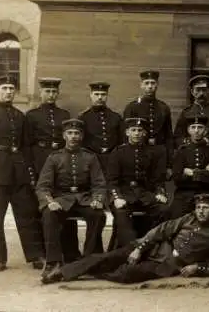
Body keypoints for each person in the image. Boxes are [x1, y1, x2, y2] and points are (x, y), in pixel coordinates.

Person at [40, 194, 209, 285]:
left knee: (126, 274)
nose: (200, 211)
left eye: (205, 208)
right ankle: (62, 273)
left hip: (168, 265)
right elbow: (160, 231)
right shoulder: (187, 219)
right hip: (152, 248)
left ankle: (91, 272)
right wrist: (140, 248)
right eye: (199, 207)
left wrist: (197, 267)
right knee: (107, 257)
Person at [0, 74, 45, 272]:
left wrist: (30, 173)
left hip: (18, 173)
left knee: (27, 215)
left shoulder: (21, 116)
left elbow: (26, 148)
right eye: (4, 88)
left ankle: (35, 255)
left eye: (11, 88)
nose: (8, 92)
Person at [36, 118, 107, 280]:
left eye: (77, 133)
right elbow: (43, 186)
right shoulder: (54, 157)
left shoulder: (90, 157)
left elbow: (99, 183)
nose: (73, 136)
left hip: (84, 199)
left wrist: (97, 199)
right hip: (62, 200)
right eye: (70, 133)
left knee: (98, 215)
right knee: (48, 215)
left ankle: (90, 259)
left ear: (81, 136)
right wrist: (50, 201)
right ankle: (53, 262)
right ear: (64, 136)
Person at [26, 77, 81, 263]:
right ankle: (42, 254)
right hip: (39, 158)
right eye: (47, 91)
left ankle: (70, 250)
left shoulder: (64, 114)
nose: (50, 95)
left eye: (53, 92)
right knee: (42, 206)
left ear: (57, 93)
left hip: (62, 159)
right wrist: (31, 168)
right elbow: (27, 144)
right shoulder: (32, 115)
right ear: (41, 93)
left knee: (65, 201)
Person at [107, 117, 168, 247]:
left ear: (144, 133)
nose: (136, 133)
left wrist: (159, 192)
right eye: (133, 130)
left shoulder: (153, 152)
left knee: (162, 210)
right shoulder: (118, 152)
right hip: (124, 195)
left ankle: (151, 247)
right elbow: (112, 181)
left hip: (145, 194)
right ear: (127, 132)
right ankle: (128, 250)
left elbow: (158, 179)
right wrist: (116, 197)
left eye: (140, 130)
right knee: (122, 214)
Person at [123, 70, 174, 180]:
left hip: (159, 153)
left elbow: (169, 137)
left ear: (157, 85)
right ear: (141, 85)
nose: (150, 86)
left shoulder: (163, 108)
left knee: (159, 185)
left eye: (153, 83)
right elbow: (126, 136)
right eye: (146, 83)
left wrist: (169, 164)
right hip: (139, 153)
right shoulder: (132, 107)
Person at [170, 114, 209, 220]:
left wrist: (192, 173)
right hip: (185, 194)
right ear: (188, 130)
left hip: (208, 193)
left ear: (206, 130)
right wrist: (204, 173)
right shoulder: (181, 151)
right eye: (193, 127)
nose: (196, 131)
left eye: (200, 127)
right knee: (175, 217)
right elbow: (177, 178)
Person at [173, 75, 209, 158]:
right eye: (198, 90)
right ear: (192, 92)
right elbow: (178, 138)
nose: (201, 93)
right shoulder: (186, 113)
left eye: (204, 90)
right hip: (191, 157)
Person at [78, 81, 124, 177]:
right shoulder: (83, 118)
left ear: (107, 96)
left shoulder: (116, 117)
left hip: (112, 159)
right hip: (91, 159)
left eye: (103, 94)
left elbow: (121, 141)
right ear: (91, 95)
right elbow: (81, 142)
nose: (100, 97)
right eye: (96, 94)